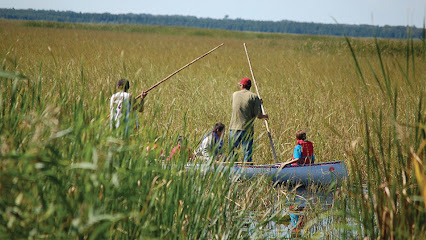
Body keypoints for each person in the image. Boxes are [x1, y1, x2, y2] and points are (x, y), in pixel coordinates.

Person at [228, 78, 268, 162]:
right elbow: (258, 115)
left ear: (242, 86)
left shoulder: (234, 94)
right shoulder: (254, 97)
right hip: (247, 129)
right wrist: (265, 115)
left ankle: (232, 166)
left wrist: (257, 102)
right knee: (247, 151)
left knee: (233, 151)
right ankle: (247, 167)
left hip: (234, 128)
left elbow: (243, 103)